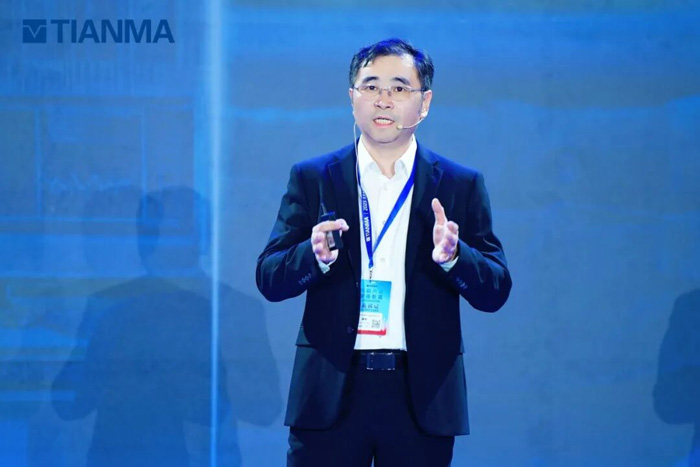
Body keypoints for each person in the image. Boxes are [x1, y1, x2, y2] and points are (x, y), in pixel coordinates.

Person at [256, 38, 512, 467]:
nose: (383, 99)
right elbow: (269, 277)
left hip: (421, 396)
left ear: (424, 102)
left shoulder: (459, 184)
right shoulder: (314, 177)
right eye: (371, 86)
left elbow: (496, 290)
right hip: (332, 391)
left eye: (399, 88)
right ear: (352, 97)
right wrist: (314, 256)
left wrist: (454, 257)